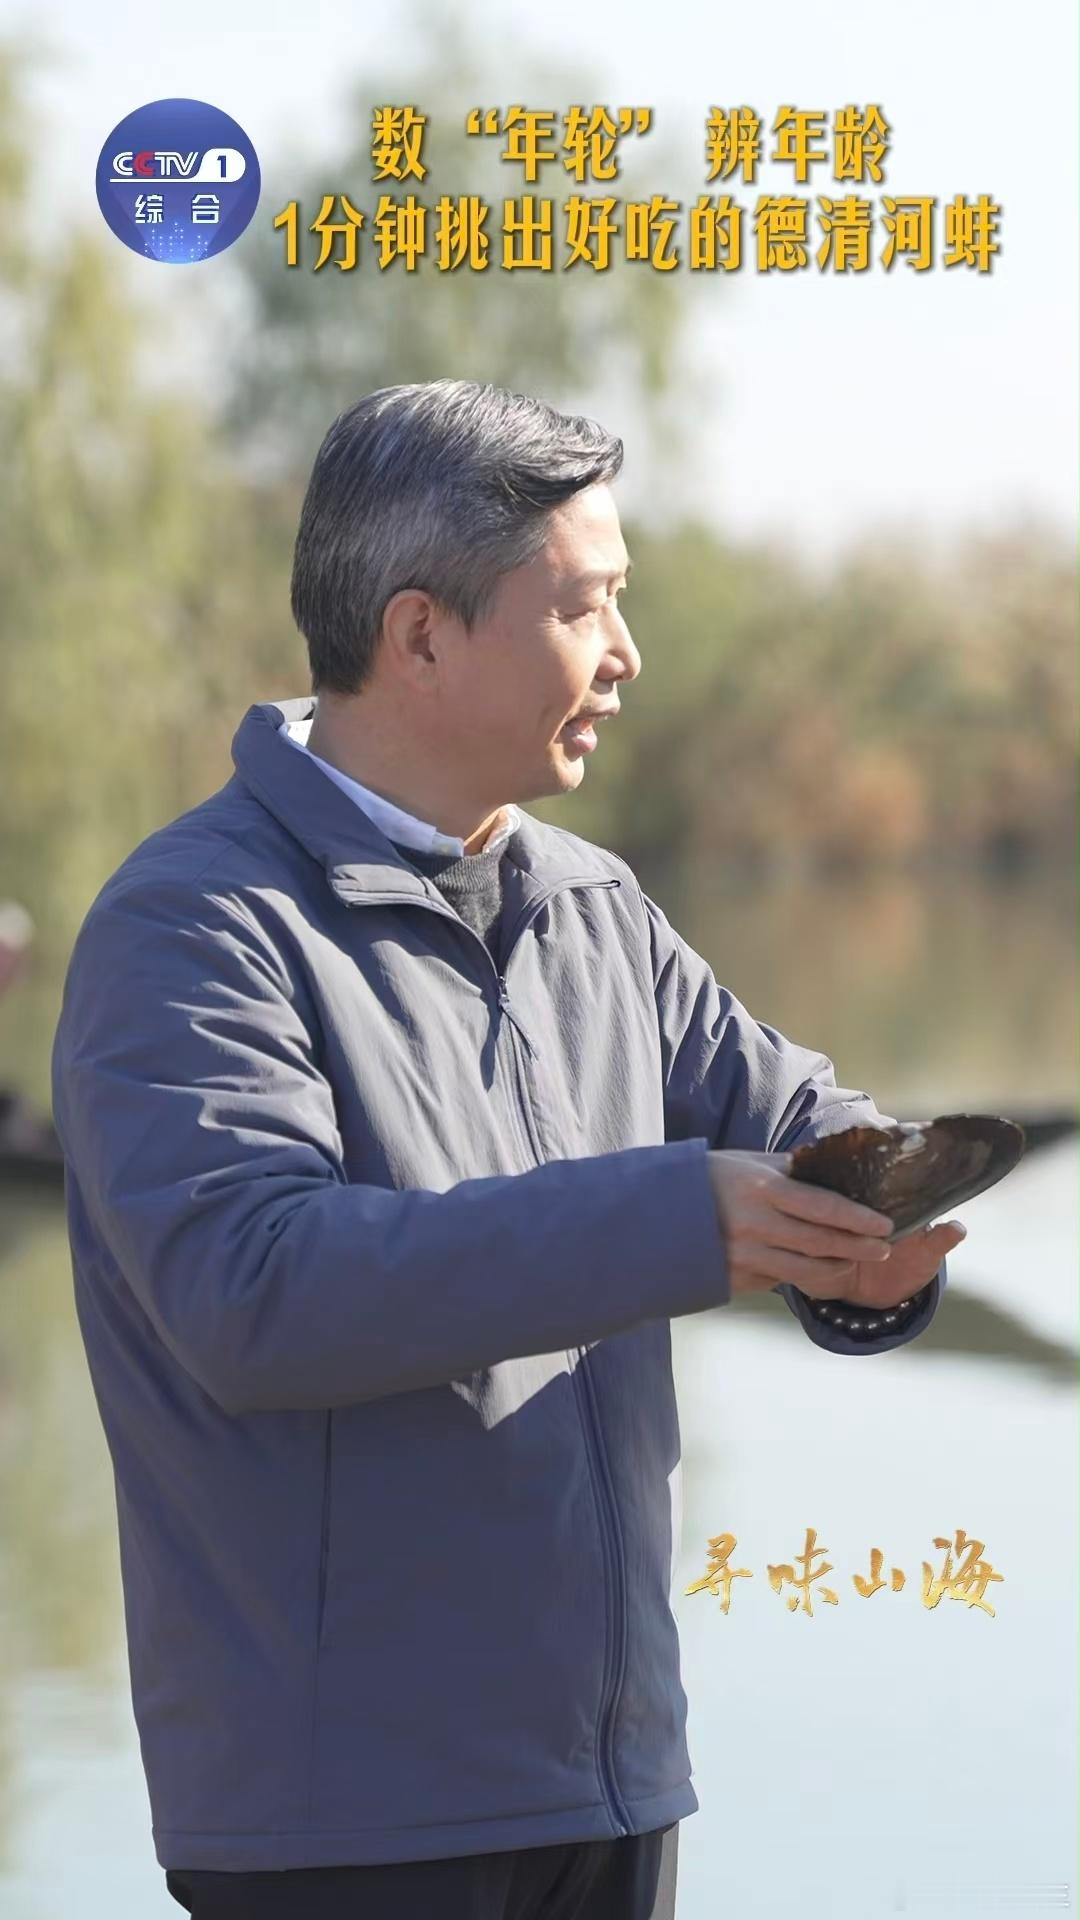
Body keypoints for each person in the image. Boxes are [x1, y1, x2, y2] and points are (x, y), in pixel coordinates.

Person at [50, 381, 960, 1920]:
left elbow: (795, 1119)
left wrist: (874, 1235)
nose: (626, 653)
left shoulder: (592, 905)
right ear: (419, 635)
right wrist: (677, 1220)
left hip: (611, 1784)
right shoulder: (194, 926)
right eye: (585, 606)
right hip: (343, 1828)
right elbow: (252, 1293)